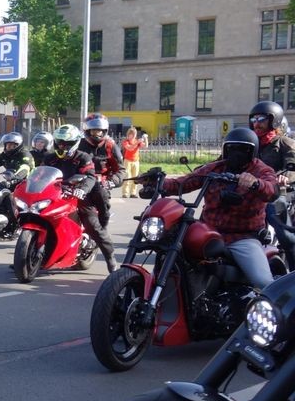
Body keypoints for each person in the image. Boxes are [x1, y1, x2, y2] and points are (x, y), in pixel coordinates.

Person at [140, 128, 276, 290]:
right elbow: (183, 183)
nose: (236, 154)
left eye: (243, 149)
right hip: (208, 231)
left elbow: (272, 190)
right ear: (225, 150)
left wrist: (256, 183)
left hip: (242, 237)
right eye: (232, 149)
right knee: (173, 250)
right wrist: (156, 182)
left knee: (264, 282)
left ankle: (277, 311)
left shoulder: (261, 171)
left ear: (253, 151)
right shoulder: (214, 169)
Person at [45, 124, 116, 272]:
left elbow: (90, 176)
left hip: (79, 196)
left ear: (75, 143)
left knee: (92, 226)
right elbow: (40, 173)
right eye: (59, 143)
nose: (62, 146)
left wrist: (82, 190)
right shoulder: (50, 158)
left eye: (67, 144)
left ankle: (110, 257)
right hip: (56, 195)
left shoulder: (83, 157)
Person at [249, 101, 295, 269]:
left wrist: (286, 178)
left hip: (277, 192)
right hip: (252, 191)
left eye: (261, 118)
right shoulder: (251, 144)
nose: (256, 123)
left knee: (286, 235)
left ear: (273, 121)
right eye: (254, 119)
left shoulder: (284, 143)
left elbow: (292, 167)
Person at [120, 127, 145, 198]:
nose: (134, 135)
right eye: (132, 134)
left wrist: (145, 138)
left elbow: (145, 146)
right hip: (127, 161)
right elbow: (130, 148)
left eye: (135, 134)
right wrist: (137, 142)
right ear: (129, 134)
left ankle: (133, 193)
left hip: (136, 161)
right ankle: (125, 193)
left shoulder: (136, 141)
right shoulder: (126, 141)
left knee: (136, 178)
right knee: (127, 177)